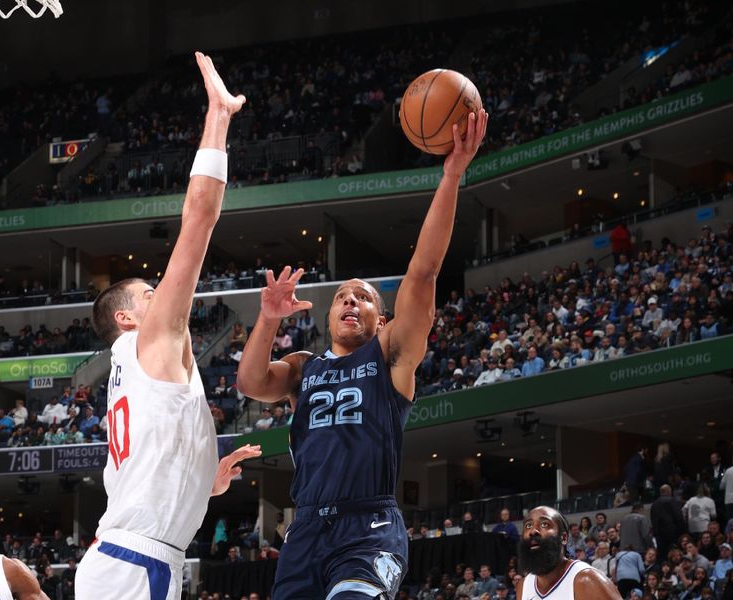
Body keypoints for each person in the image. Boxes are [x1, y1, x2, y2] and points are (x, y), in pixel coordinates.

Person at [238, 109, 489, 599]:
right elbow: (249, 384)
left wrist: (452, 174)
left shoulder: (391, 353)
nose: (352, 301)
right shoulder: (303, 368)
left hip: (368, 525)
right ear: (328, 318)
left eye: (365, 297)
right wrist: (268, 319)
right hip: (306, 529)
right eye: (343, 298)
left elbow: (423, 272)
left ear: (382, 318)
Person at [75, 53, 261, 600]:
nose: (166, 300)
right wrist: (220, 116)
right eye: (150, 296)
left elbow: (144, 473)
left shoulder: (133, 369)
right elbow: (199, 217)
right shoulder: (150, 340)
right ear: (127, 317)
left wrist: (205, 480)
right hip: (134, 563)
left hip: (131, 559)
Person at [517, 506, 621, 599]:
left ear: (564, 538)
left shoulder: (587, 581)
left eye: (544, 524)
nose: (533, 531)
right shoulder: (523, 586)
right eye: (528, 525)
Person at [650, 484, 686, 563]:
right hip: (673, 533)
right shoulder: (672, 500)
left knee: (663, 557)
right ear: (669, 491)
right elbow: (678, 517)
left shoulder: (654, 504)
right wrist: (683, 530)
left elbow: (653, 521)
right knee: (675, 555)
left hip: (660, 535)